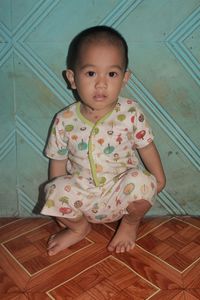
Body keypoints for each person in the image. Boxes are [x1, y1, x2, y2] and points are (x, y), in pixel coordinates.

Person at [41, 25, 166, 256]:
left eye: (112, 74)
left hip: (121, 192)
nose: (101, 84)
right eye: (90, 73)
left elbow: (146, 146)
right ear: (72, 78)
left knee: (142, 181)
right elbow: (57, 162)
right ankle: (78, 229)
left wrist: (159, 179)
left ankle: (130, 225)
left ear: (125, 78)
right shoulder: (64, 119)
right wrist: (61, 207)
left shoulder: (130, 112)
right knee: (51, 190)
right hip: (83, 196)